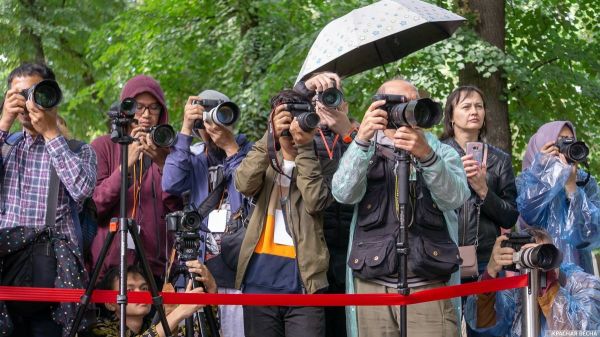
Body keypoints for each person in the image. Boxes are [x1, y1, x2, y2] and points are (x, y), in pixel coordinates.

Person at [332, 79, 469, 337]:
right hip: (372, 283)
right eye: (397, 103)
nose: (404, 111)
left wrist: (426, 156)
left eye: (411, 103)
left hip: (429, 282)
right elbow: (342, 193)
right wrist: (361, 139)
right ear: (378, 107)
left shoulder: (440, 151)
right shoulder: (365, 148)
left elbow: (455, 198)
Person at [0, 63, 97, 336]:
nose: (29, 101)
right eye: (20, 94)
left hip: (55, 280)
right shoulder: (5, 145)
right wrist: (3, 123)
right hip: (4, 275)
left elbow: (82, 189)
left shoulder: (79, 150)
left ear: (50, 94)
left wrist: (51, 132)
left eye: (35, 92)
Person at [234, 89, 332, 337]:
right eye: (284, 117)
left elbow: (315, 201)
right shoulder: (266, 160)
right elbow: (243, 184)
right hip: (259, 278)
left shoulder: (322, 160)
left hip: (304, 281)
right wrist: (270, 137)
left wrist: (306, 148)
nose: (291, 125)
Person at [162, 89, 252, 337]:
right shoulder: (192, 158)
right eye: (203, 121)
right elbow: (170, 183)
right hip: (199, 261)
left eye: (218, 116)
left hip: (236, 267)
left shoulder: (249, 152)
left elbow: (250, 192)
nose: (210, 127)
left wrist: (230, 146)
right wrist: (185, 129)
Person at [90, 75, 181, 283]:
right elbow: (95, 205)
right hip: (110, 265)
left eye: (154, 108)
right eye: (139, 107)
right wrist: (126, 165)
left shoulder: (172, 153)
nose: (146, 114)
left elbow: (177, 208)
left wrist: (161, 163)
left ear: (162, 112)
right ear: (127, 108)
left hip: (155, 268)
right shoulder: (103, 146)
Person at [294, 72, 357, 337]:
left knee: (348, 323)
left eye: (335, 95)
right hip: (317, 240)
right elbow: (280, 117)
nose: (330, 102)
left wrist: (348, 132)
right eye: (323, 97)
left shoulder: (358, 133)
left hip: (353, 242)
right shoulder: (303, 135)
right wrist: (302, 89)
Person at [440, 85, 519, 278]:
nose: (474, 111)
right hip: (442, 254)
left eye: (479, 106)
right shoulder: (437, 155)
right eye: (466, 107)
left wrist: (483, 190)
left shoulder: (499, 160)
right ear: (451, 116)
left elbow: (510, 217)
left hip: (487, 258)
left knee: (485, 309)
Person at [465, 228, 600, 336]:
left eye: (544, 254)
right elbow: (485, 326)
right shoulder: (516, 291)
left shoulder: (585, 284)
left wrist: (550, 285)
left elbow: (580, 332)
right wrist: (490, 273)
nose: (538, 265)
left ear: (556, 255)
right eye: (534, 257)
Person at [517, 121, 600, 274]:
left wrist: (571, 187)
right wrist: (545, 174)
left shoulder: (586, 181)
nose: (567, 146)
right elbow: (528, 215)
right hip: (540, 266)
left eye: (571, 140)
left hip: (580, 272)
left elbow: (591, 234)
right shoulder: (528, 179)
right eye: (561, 140)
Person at [82, 261, 216, 337]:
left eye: (144, 288)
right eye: (129, 290)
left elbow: (202, 334)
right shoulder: (97, 330)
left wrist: (212, 292)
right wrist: (178, 313)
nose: (140, 293)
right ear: (110, 304)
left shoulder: (151, 324)